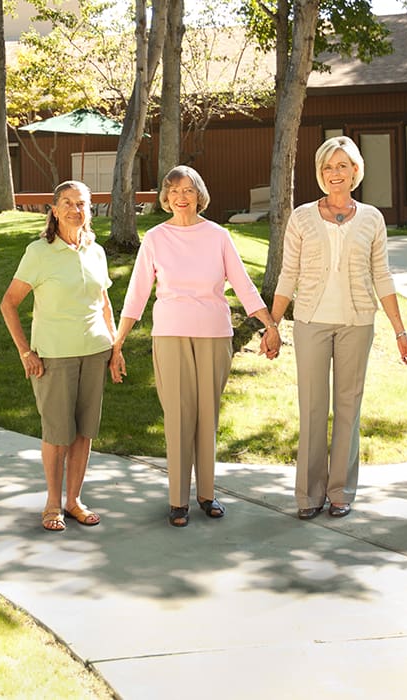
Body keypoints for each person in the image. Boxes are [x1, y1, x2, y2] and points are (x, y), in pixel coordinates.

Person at [110, 165, 281, 527]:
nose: (181, 198)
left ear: (199, 194)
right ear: (165, 198)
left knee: (208, 415)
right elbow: (137, 292)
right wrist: (119, 341)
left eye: (187, 190)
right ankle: (177, 500)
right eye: (173, 192)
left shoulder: (218, 236)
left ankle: (207, 493)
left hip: (215, 334)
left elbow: (243, 284)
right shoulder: (155, 238)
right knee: (178, 415)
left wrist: (269, 325)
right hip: (170, 333)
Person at [269, 136, 407, 520]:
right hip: (311, 322)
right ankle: (308, 495)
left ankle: (341, 492)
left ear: (355, 171)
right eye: (329, 166)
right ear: (320, 173)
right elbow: (289, 274)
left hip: (357, 322)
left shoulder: (372, 219)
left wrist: (400, 332)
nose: (336, 173)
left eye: (343, 165)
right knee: (313, 408)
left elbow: (382, 275)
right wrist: (272, 323)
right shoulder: (301, 217)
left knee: (349, 406)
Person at [0, 181, 119, 532]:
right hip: (54, 357)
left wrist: (115, 347)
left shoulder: (96, 251)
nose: (74, 210)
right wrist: (25, 351)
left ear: (90, 209)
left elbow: (104, 303)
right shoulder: (38, 252)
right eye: (66, 203)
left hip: (95, 352)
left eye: (81, 203)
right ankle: (52, 503)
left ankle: (74, 500)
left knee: (84, 432)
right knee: (57, 433)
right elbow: (8, 303)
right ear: (53, 209)